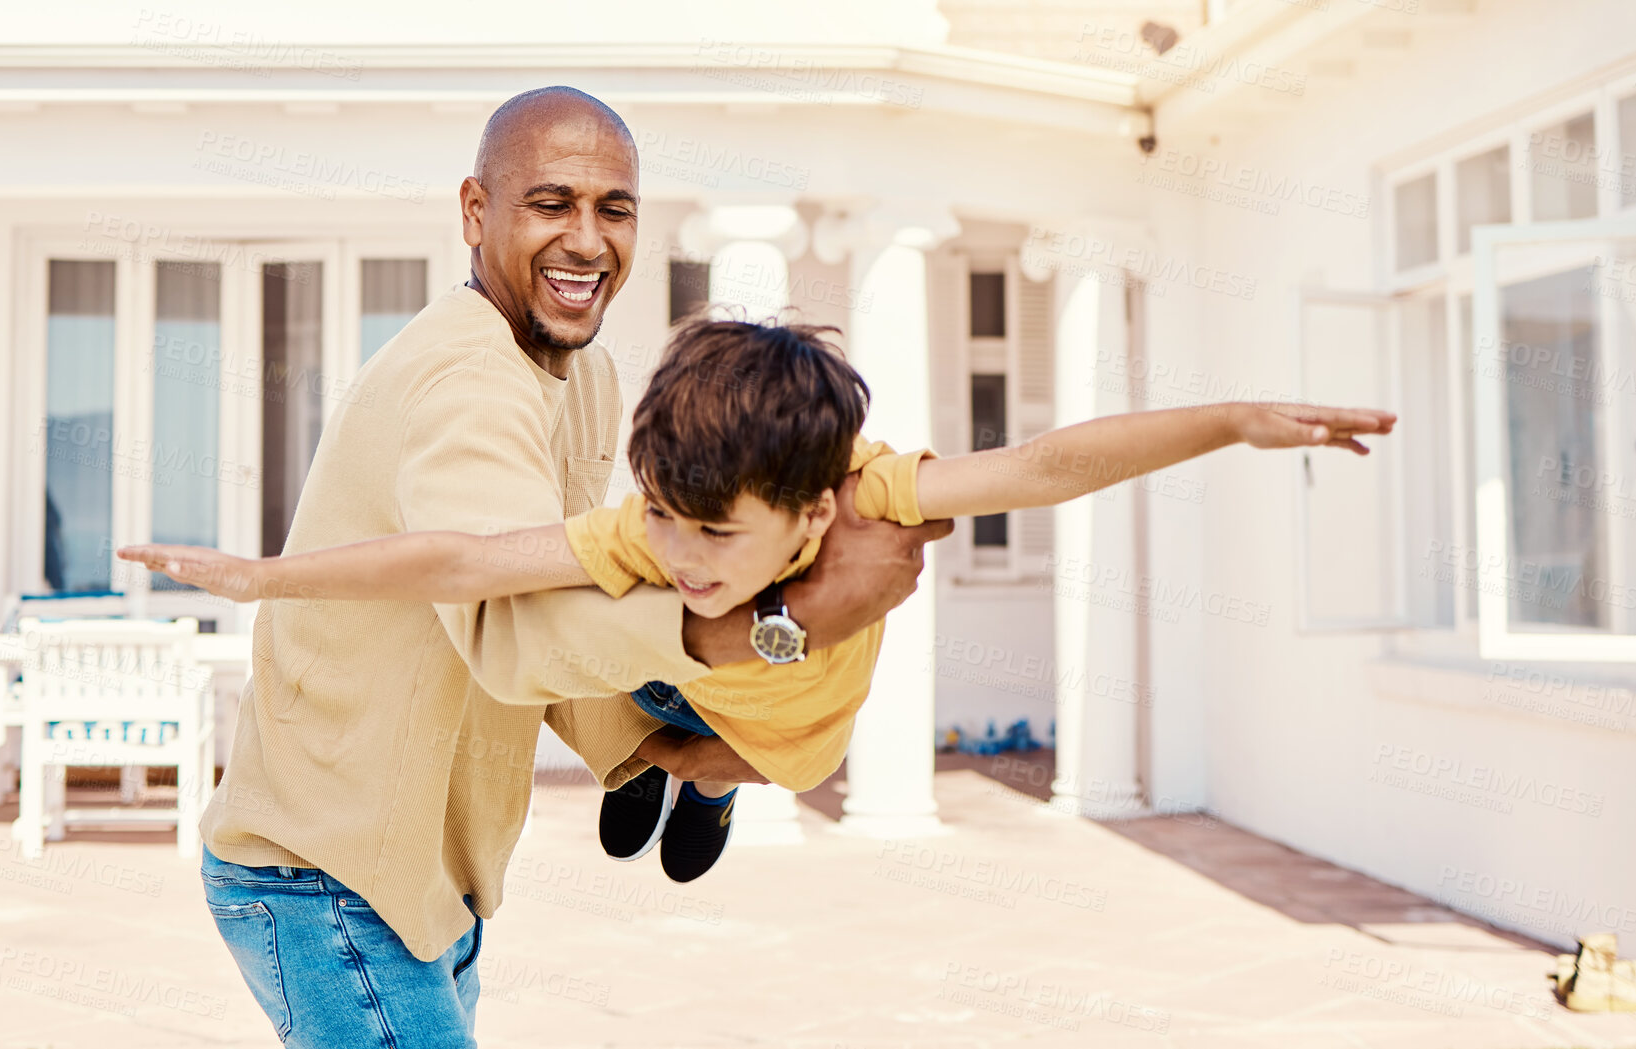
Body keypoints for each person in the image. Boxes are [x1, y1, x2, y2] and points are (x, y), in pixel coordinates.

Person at [181, 85, 950, 1049]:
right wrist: (777, 626)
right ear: (475, 212)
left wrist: (643, 748)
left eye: (612, 209)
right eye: (551, 204)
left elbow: (581, 572)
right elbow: (517, 630)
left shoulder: (580, 370)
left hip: (426, 873)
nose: (587, 240)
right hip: (328, 874)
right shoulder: (469, 382)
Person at [123, 317, 1396, 885]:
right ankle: (638, 765)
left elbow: (1054, 463)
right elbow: (454, 558)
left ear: (809, 509)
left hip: (778, 725)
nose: (677, 549)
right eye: (662, 514)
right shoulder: (651, 528)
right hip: (666, 671)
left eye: (715, 532)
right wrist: (263, 575)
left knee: (723, 755)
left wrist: (1233, 420)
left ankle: (698, 782)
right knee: (563, 654)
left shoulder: (877, 494)